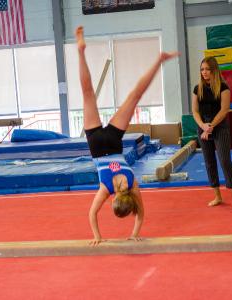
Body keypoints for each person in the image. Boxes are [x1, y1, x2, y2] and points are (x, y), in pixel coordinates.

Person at [76, 26, 178, 245]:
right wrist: (97, 236)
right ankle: (81, 52)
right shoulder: (106, 188)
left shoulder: (133, 185)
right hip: (96, 144)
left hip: (112, 142)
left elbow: (141, 214)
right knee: (87, 93)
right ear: (113, 200)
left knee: (135, 95)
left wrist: (135, 233)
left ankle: (159, 60)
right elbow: (92, 214)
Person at [192, 56, 232, 208]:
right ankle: (217, 196)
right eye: (202, 69)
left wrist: (211, 126)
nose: (204, 72)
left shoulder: (223, 87)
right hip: (203, 128)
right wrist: (203, 126)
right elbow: (195, 111)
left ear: (214, 70)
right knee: (209, 162)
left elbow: (224, 110)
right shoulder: (197, 89)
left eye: (208, 69)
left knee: (225, 160)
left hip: (219, 126)